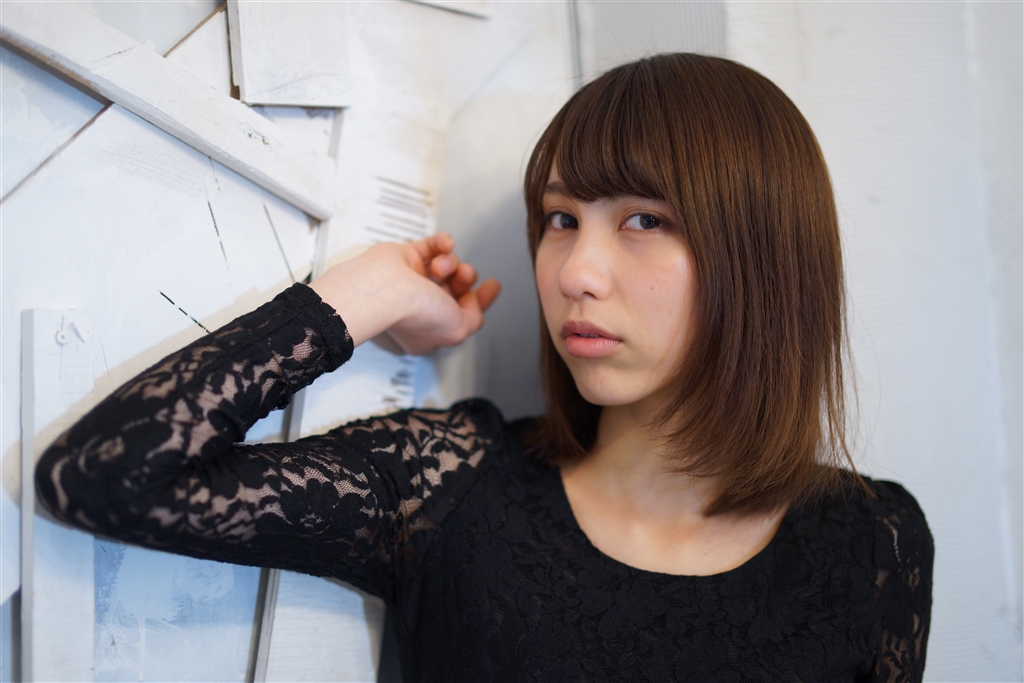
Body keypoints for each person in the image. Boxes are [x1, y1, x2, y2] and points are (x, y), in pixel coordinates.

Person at [36, 54, 933, 682]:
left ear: (764, 255)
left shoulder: (874, 543)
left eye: (644, 220)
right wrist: (367, 291)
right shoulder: (452, 488)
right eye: (561, 218)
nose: (576, 272)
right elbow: (102, 474)